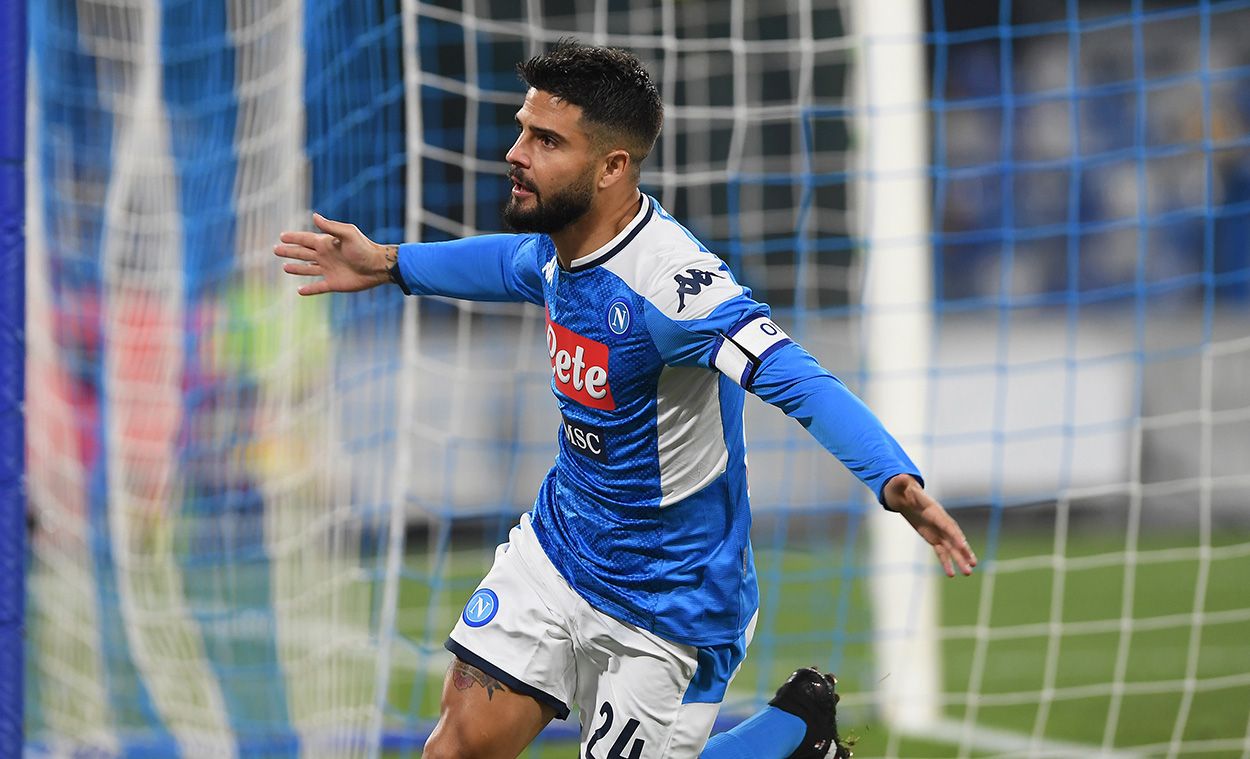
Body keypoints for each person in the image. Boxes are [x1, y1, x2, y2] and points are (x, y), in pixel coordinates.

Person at [276, 39, 976, 759]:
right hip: (562, 547)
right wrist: (390, 264)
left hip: (671, 600)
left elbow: (794, 376)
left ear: (612, 166)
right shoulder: (559, 246)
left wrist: (894, 479)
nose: (516, 152)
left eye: (546, 140)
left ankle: (793, 735)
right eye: (522, 129)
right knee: (452, 750)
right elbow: (509, 263)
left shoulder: (674, 288)